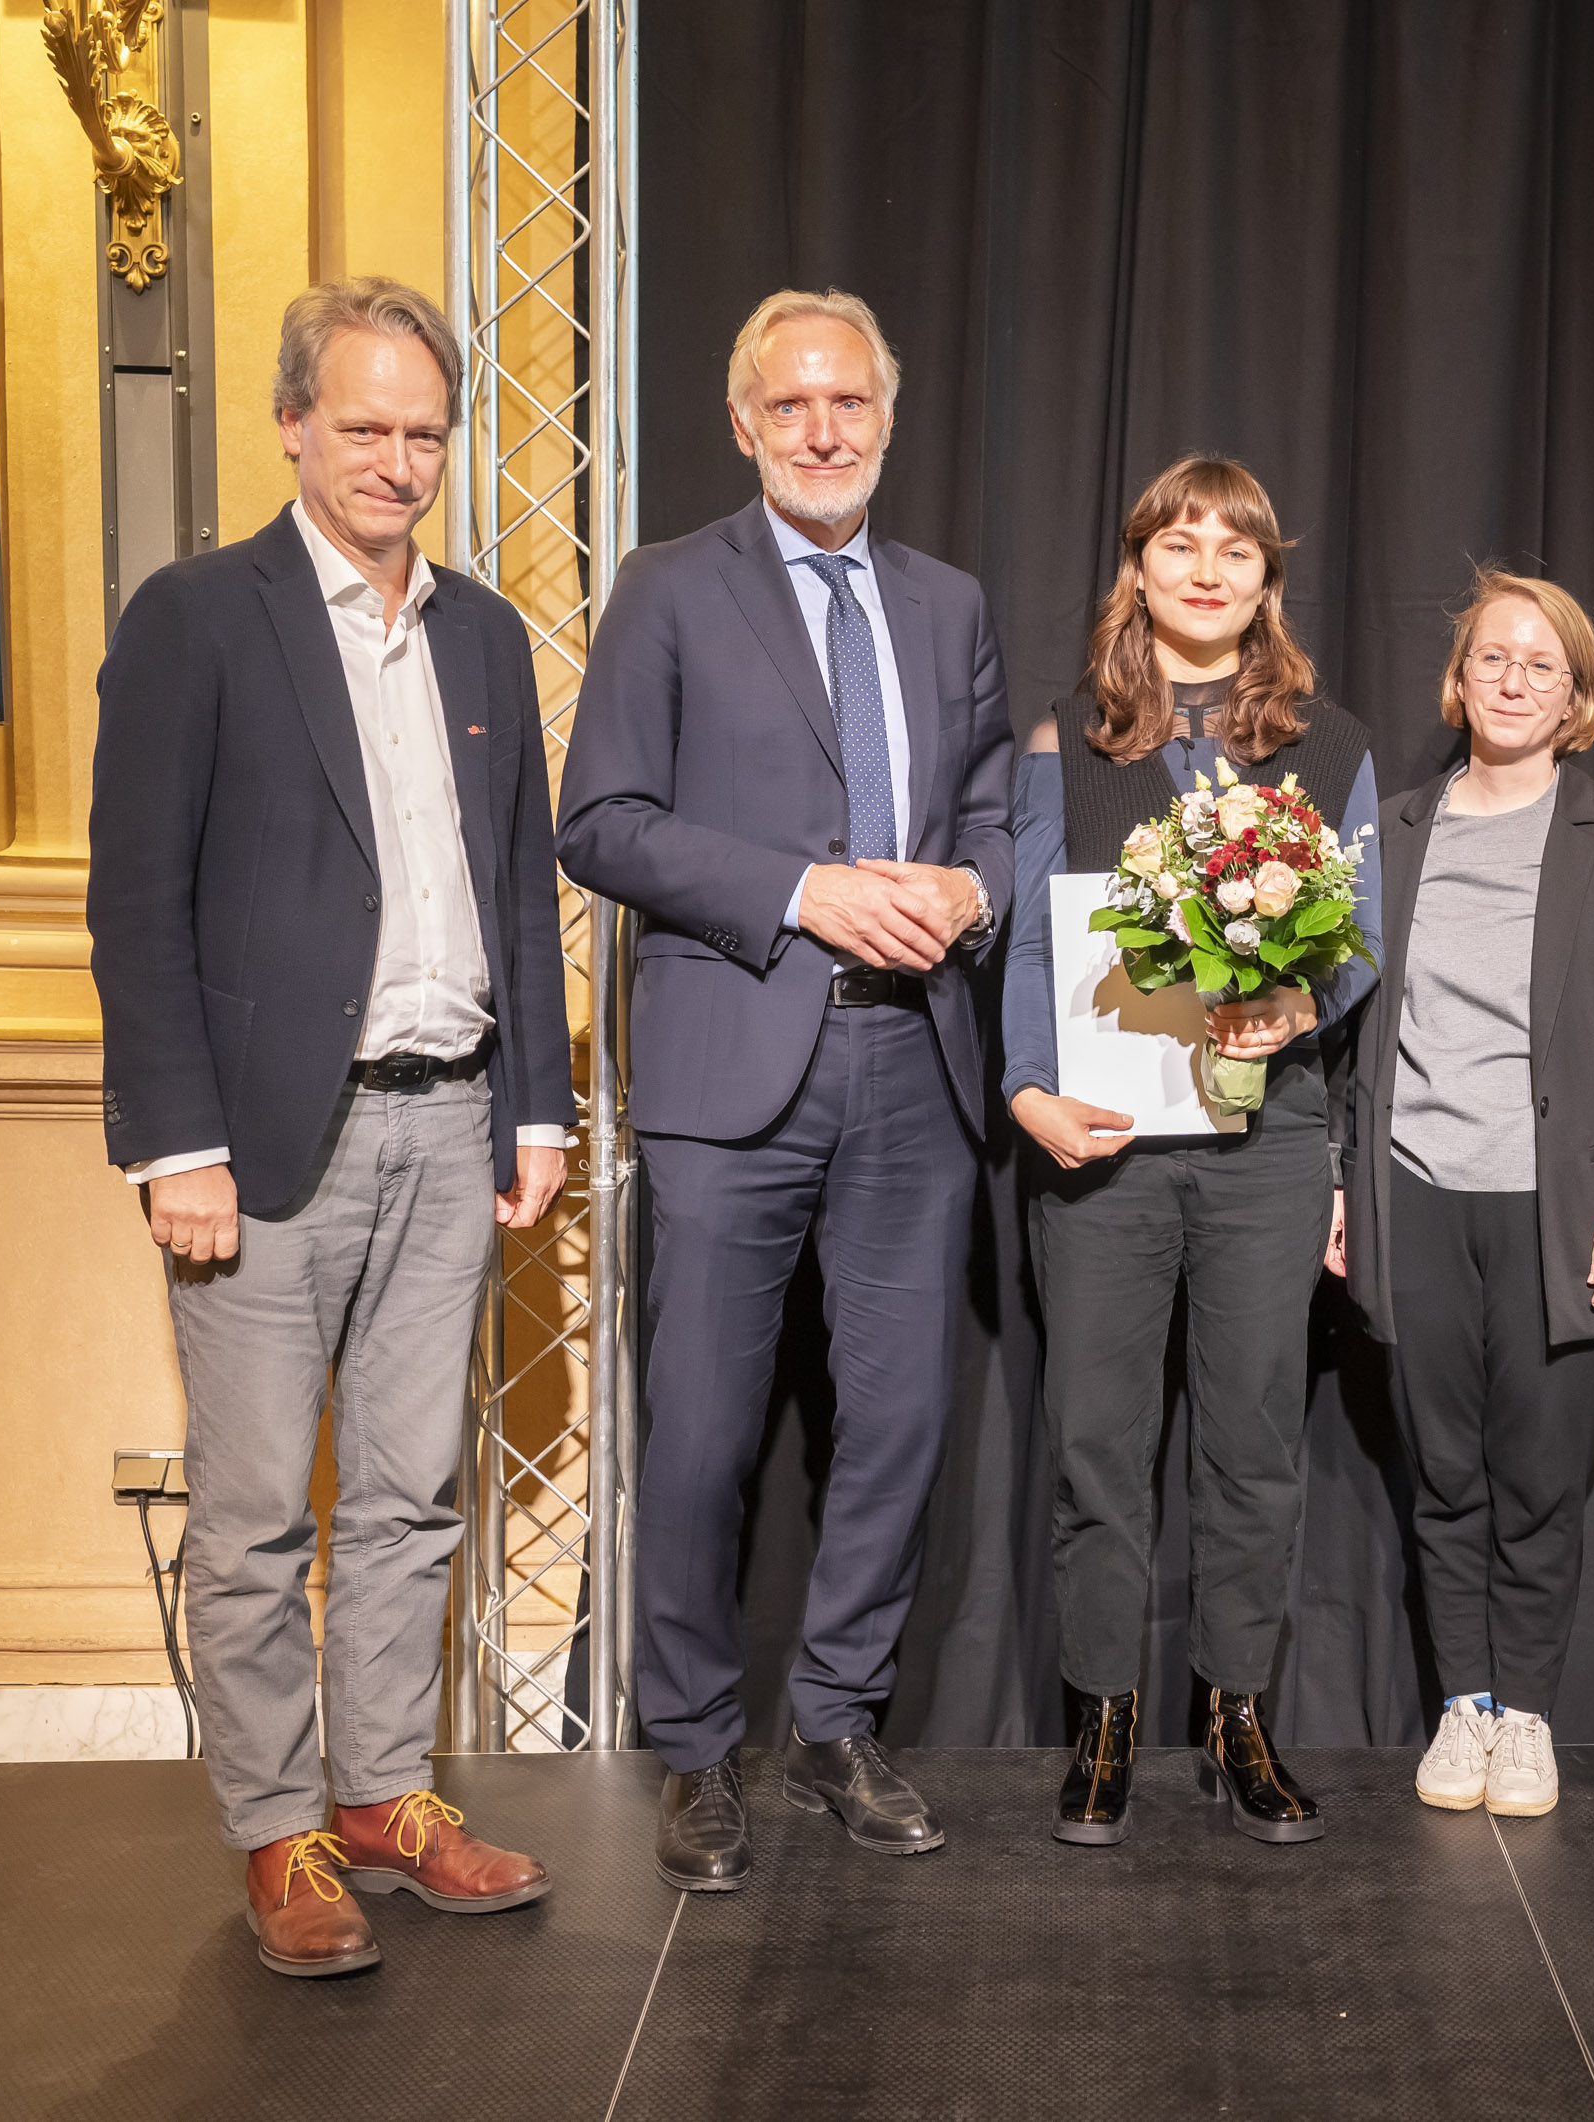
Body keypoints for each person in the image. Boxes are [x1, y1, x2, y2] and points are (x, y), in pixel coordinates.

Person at [89, 277, 569, 1978]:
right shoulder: (195, 617)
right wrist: (174, 1143)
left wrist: (536, 1105)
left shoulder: (485, 634)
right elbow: (136, 898)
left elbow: (515, 882)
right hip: (262, 1144)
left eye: (422, 430)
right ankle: (276, 1829)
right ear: (290, 423)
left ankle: (382, 1800)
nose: (395, 459)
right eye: (362, 426)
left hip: (449, 1128)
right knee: (251, 1519)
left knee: (409, 1494)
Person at [558, 288, 1013, 1892]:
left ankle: (834, 1720)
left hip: (913, 1062)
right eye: (794, 406)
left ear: (885, 421)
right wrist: (800, 892)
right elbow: (599, 818)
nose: (826, 431)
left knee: (893, 1423)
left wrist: (971, 892)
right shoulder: (671, 589)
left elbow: (995, 807)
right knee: (702, 1432)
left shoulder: (950, 603)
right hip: (732, 1064)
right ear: (744, 423)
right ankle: (692, 1748)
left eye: (852, 406)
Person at [1003, 455, 1378, 1847]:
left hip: (1266, 1141)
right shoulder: (1062, 739)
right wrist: (1024, 1087)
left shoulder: (1328, 745)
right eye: (1180, 542)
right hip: (1097, 1146)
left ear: (1267, 579)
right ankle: (1102, 1716)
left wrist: (1300, 996)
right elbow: (1035, 935)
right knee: (1097, 1447)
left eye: (1236, 547)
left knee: (1253, 1445)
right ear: (1139, 568)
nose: (1207, 568)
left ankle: (1235, 1716)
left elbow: (1361, 944)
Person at [1331, 570, 1594, 1821]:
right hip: (1415, 1192)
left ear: (1577, 693)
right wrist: (1341, 1181)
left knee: (1540, 1480)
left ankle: (1525, 1714)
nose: (1516, 679)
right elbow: (1351, 1022)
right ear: (1459, 679)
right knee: (1445, 1475)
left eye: (1543, 663)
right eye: (1493, 658)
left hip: (1558, 1206)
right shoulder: (1396, 830)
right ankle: (1463, 1705)